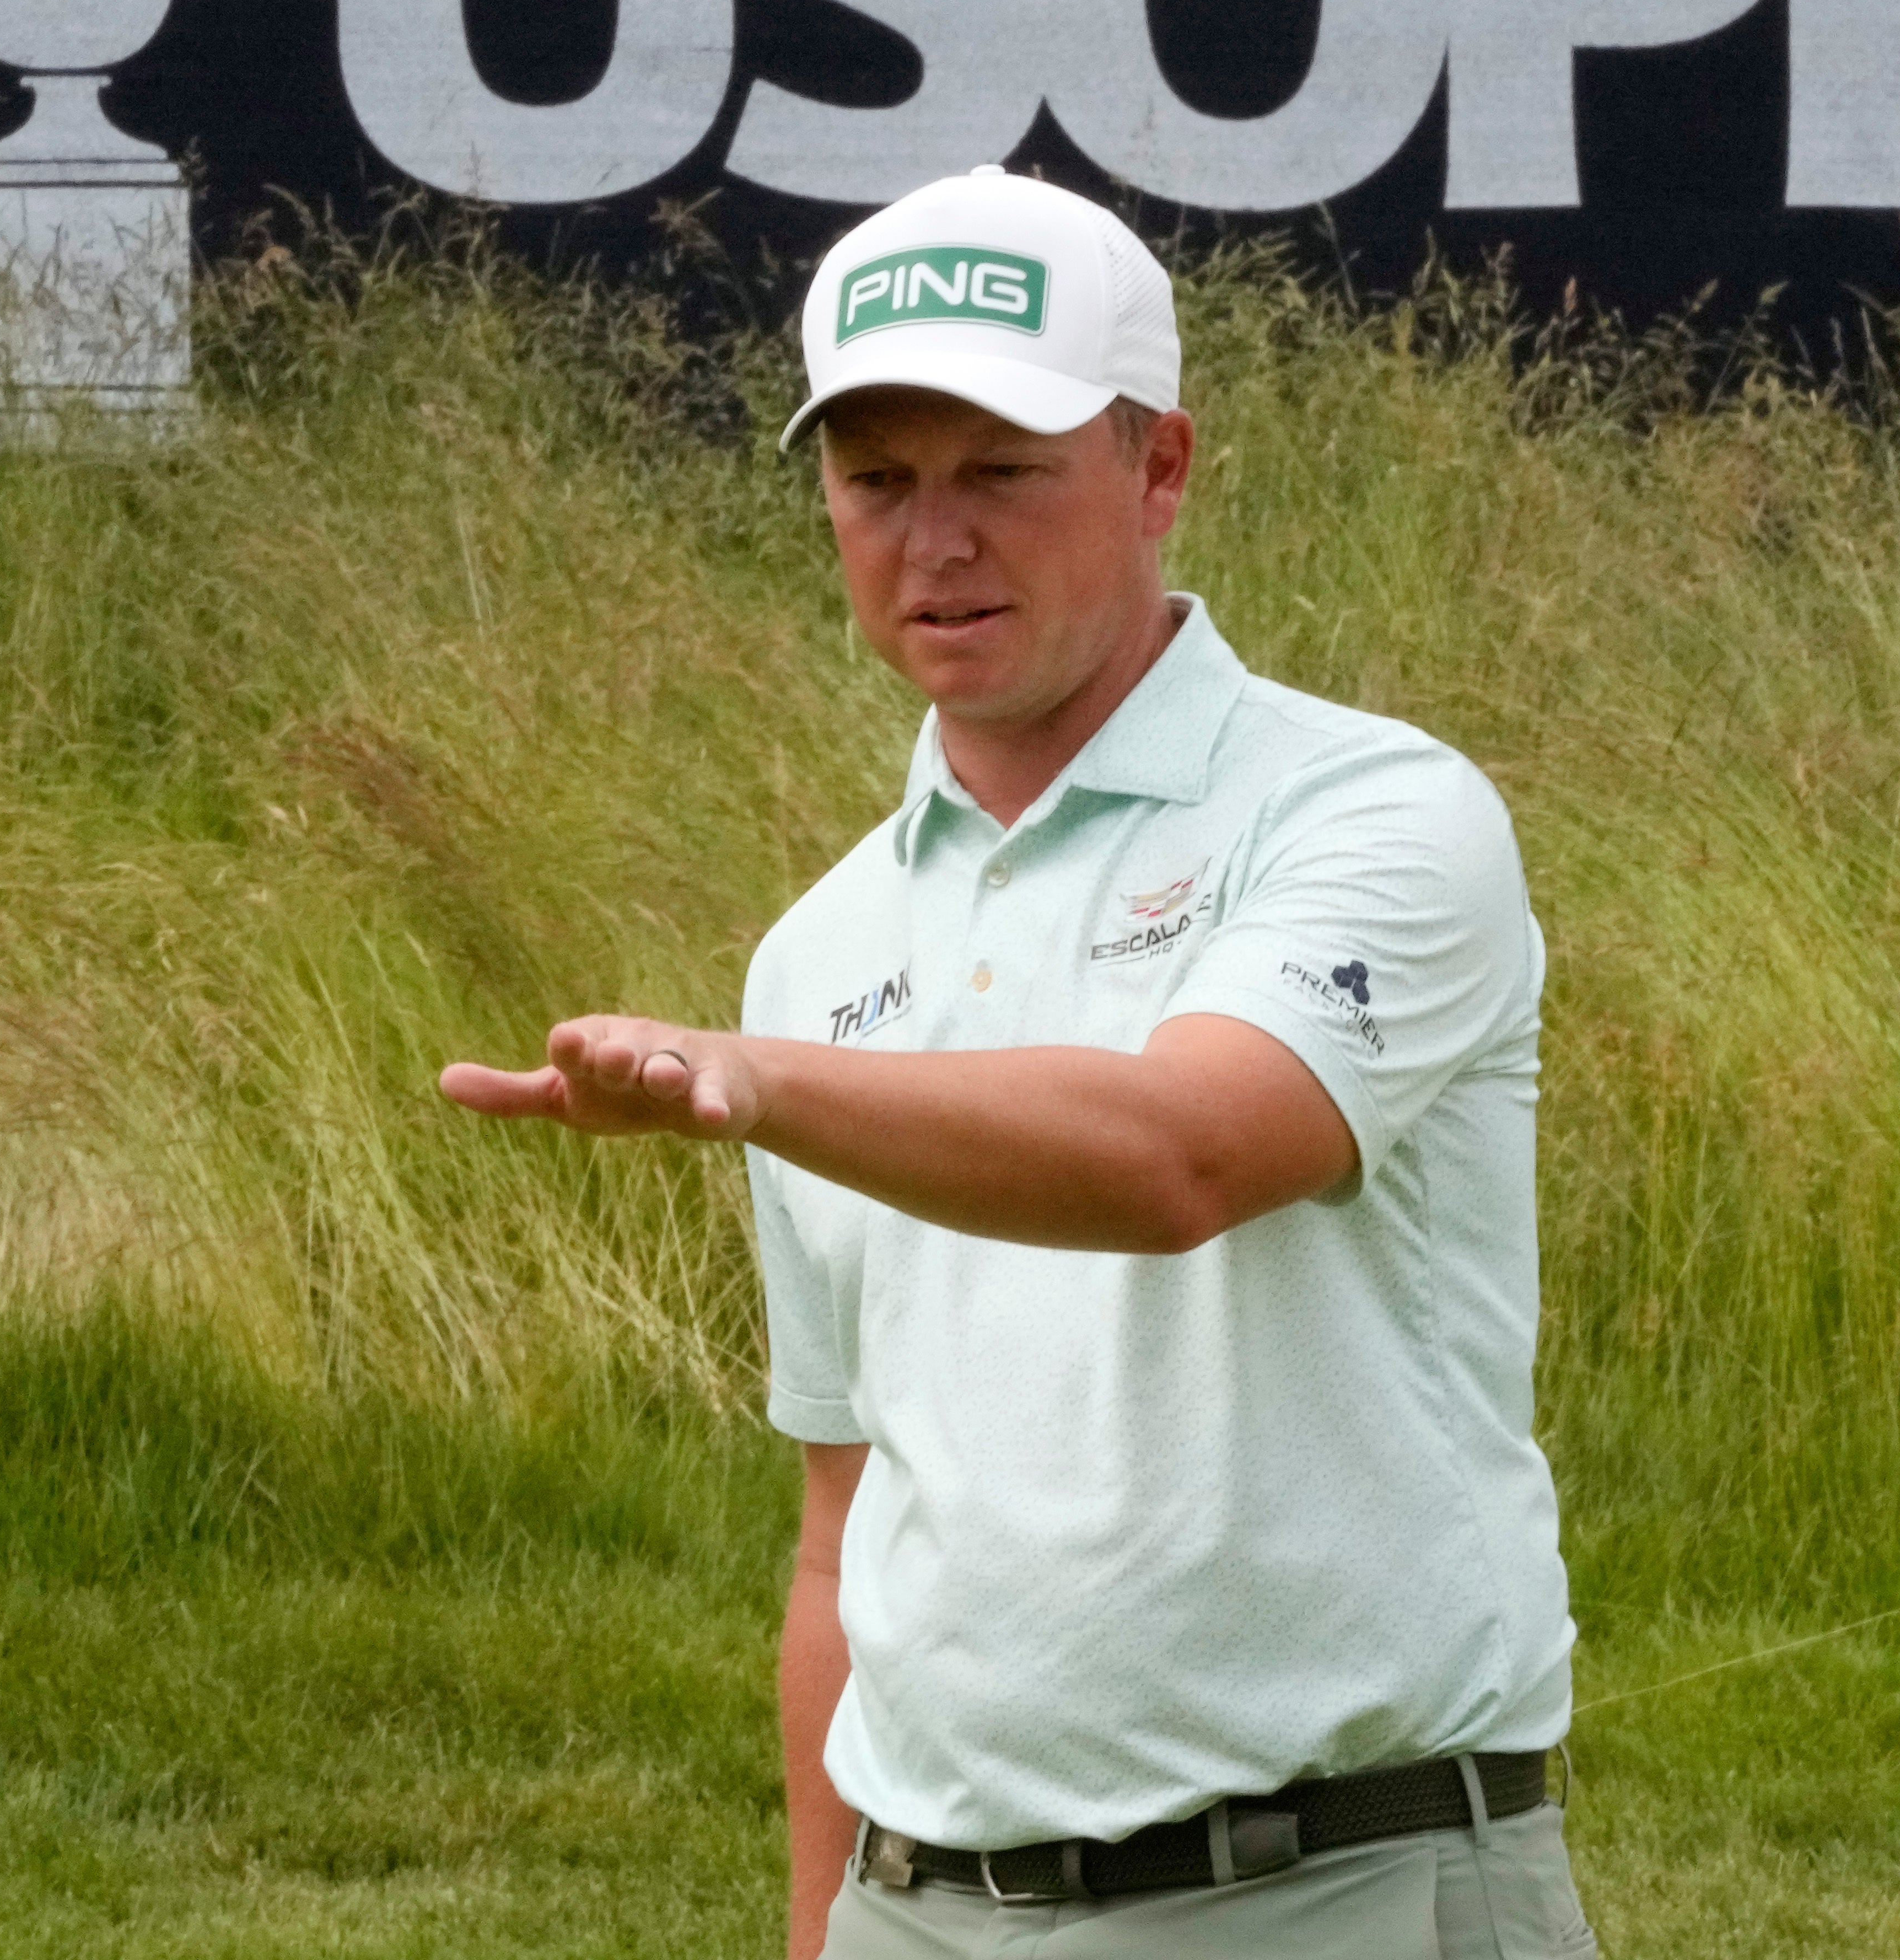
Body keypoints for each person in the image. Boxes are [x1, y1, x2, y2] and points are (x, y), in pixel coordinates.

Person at [439, 167, 1595, 1958]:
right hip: (926, 1912)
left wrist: (757, 1080)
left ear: (1160, 470)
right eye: (877, 481)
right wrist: (825, 1934)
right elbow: (846, 1530)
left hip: (1339, 1887)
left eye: (1002, 471)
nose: (935, 539)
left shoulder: (1375, 809)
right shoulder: (819, 953)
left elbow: (1176, 1159)